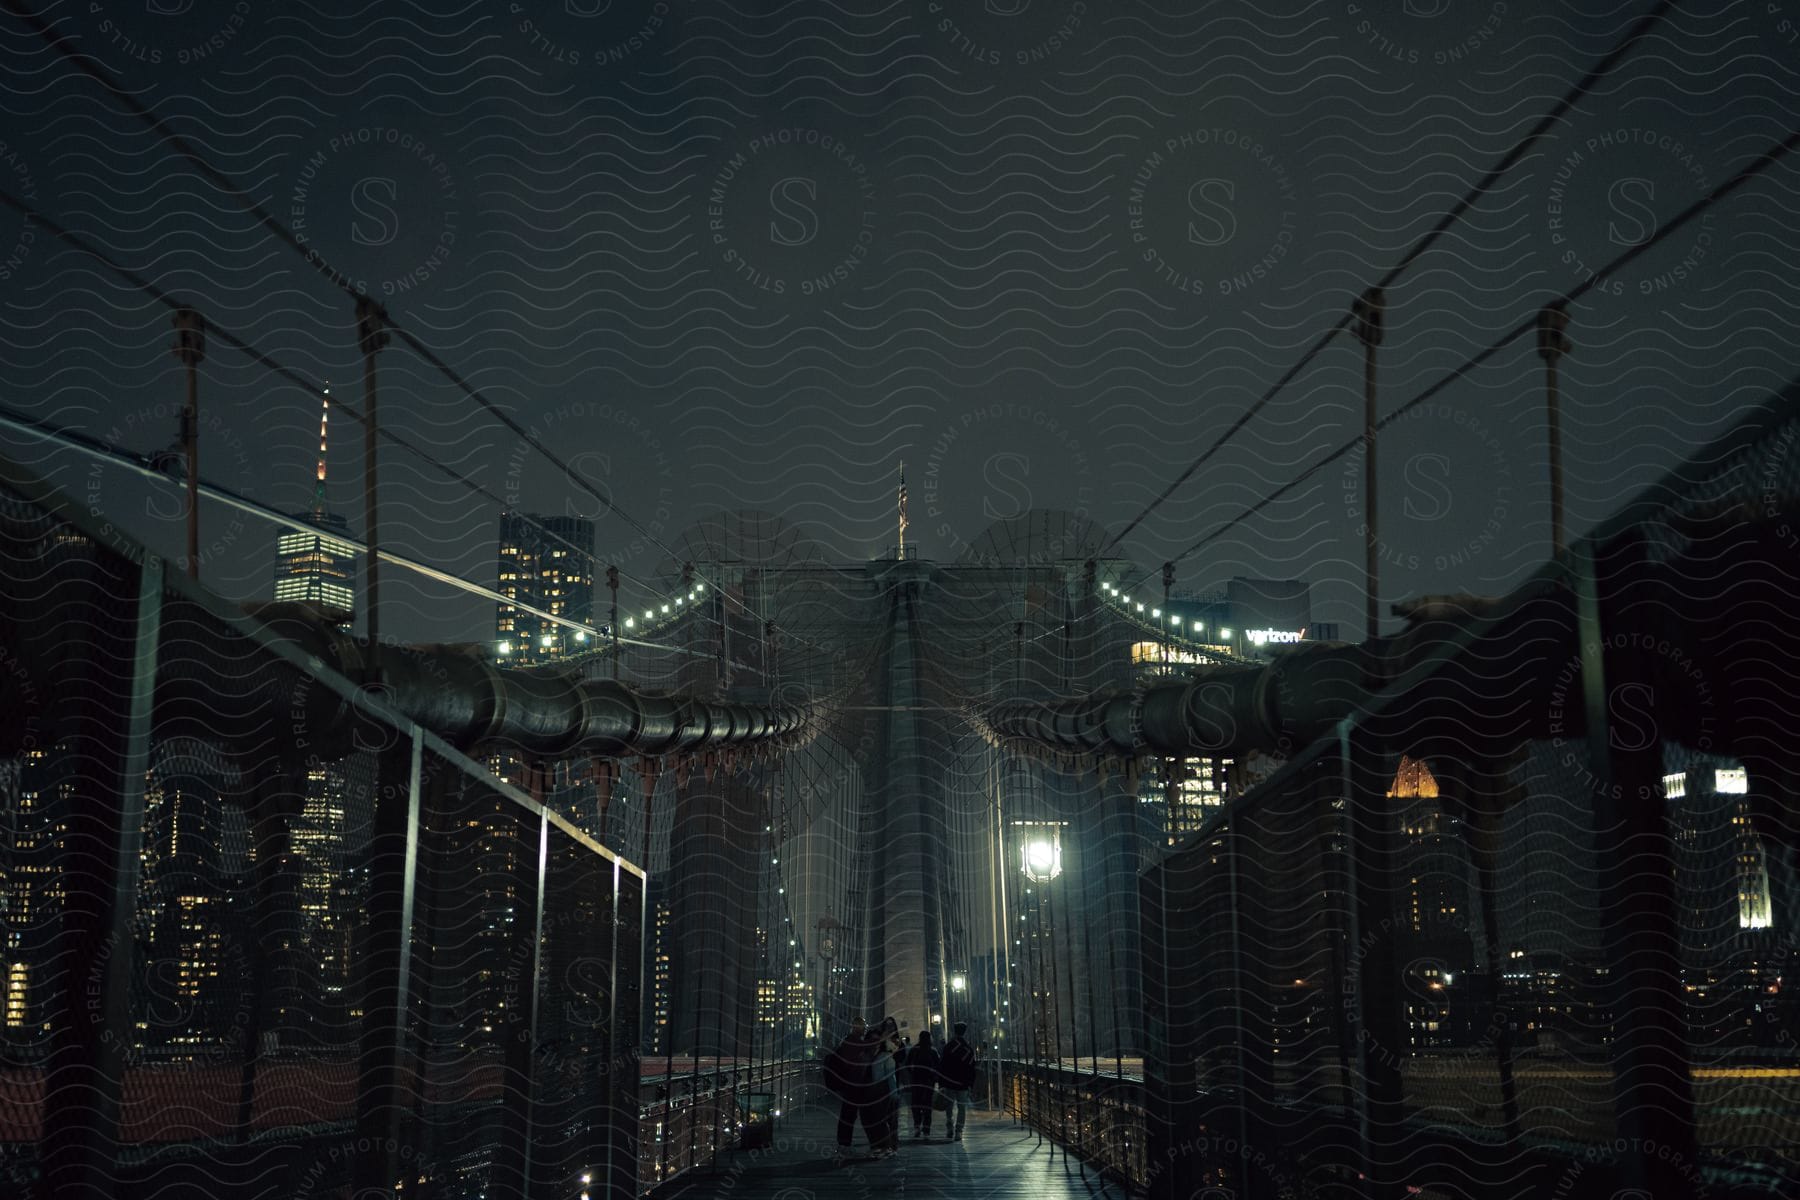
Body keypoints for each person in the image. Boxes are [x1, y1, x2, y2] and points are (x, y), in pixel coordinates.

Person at [824, 1016, 883, 1162]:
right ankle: (844, 1146)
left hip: (854, 1085)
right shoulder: (852, 1041)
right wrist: (886, 1036)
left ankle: (846, 1145)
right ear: (856, 1027)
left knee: (850, 1115)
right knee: (849, 1115)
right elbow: (871, 1043)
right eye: (863, 1026)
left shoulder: (853, 1042)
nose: (865, 1028)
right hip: (852, 1085)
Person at [939, 1021, 977, 1142]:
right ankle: (959, 1131)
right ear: (964, 1032)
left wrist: (941, 1082)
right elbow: (972, 1068)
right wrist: (970, 1084)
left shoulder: (948, 1047)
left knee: (949, 1107)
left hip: (950, 1082)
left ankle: (949, 1125)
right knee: (962, 1108)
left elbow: (942, 1066)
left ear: (954, 1031)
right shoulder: (968, 1049)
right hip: (963, 1083)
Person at [902, 1029, 941, 1139]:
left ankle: (917, 1126)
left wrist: (912, 1074)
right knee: (927, 1106)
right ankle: (926, 1130)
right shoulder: (933, 1051)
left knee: (916, 1105)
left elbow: (907, 1064)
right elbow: (938, 1066)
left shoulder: (914, 1049)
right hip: (929, 1082)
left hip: (916, 1081)